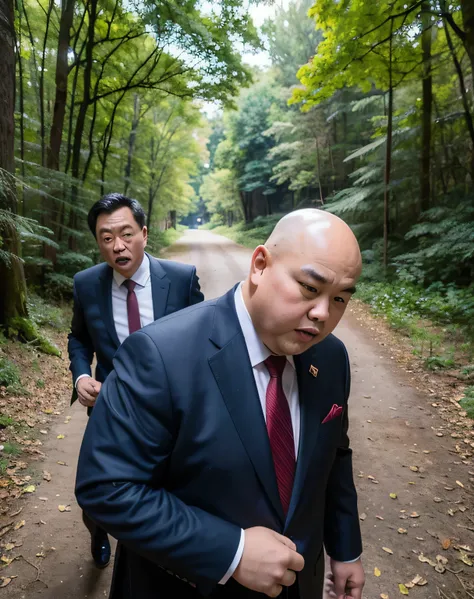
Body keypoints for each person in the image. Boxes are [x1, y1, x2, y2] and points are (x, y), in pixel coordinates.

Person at [75, 208, 365, 599]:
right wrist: (233, 551)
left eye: (341, 298)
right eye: (311, 289)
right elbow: (106, 488)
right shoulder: (160, 355)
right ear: (260, 265)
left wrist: (346, 548)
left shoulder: (331, 358)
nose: (322, 314)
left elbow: (335, 456)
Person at [68, 192, 204, 569]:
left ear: (144, 233)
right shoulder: (86, 284)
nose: (118, 246)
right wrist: (81, 374)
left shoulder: (180, 280)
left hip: (171, 408)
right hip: (110, 406)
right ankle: (97, 530)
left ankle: (156, 556)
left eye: (126, 234)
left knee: (165, 483)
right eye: (106, 238)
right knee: (96, 488)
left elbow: (205, 339)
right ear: (98, 242)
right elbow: (79, 338)